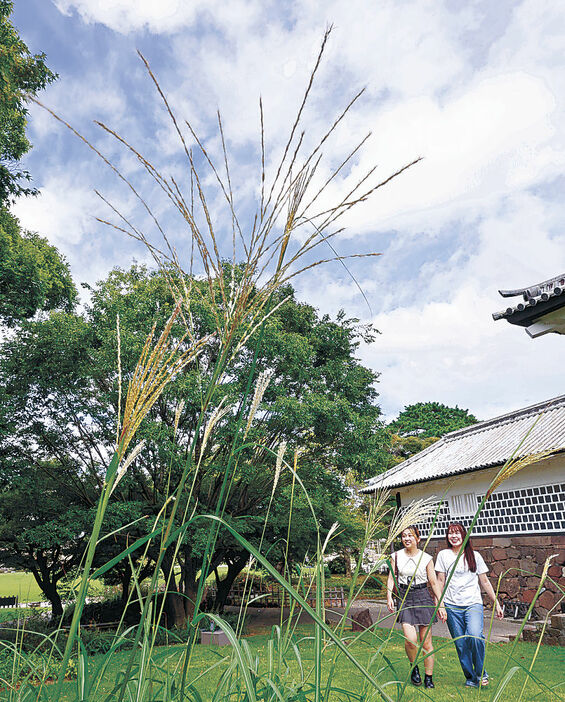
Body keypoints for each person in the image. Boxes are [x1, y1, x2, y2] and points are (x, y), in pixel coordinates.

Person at [435, 522, 504, 689]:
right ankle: (471, 678)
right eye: (451, 533)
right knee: (460, 644)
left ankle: (481, 673)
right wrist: (440, 605)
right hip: (451, 605)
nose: (454, 536)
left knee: (474, 636)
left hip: (473, 603)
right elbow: (439, 582)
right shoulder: (444, 555)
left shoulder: (475, 555)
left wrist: (497, 603)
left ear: (464, 535)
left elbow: (485, 581)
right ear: (447, 536)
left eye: (457, 533)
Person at [387, 526, 447, 689]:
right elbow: (391, 578)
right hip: (405, 597)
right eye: (404, 536)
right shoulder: (396, 556)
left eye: (410, 536)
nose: (407, 538)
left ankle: (428, 677)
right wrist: (389, 596)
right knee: (410, 640)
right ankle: (414, 667)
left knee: (426, 642)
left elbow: (434, 582)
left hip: (423, 596)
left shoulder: (426, 558)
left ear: (418, 539)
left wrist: (440, 604)